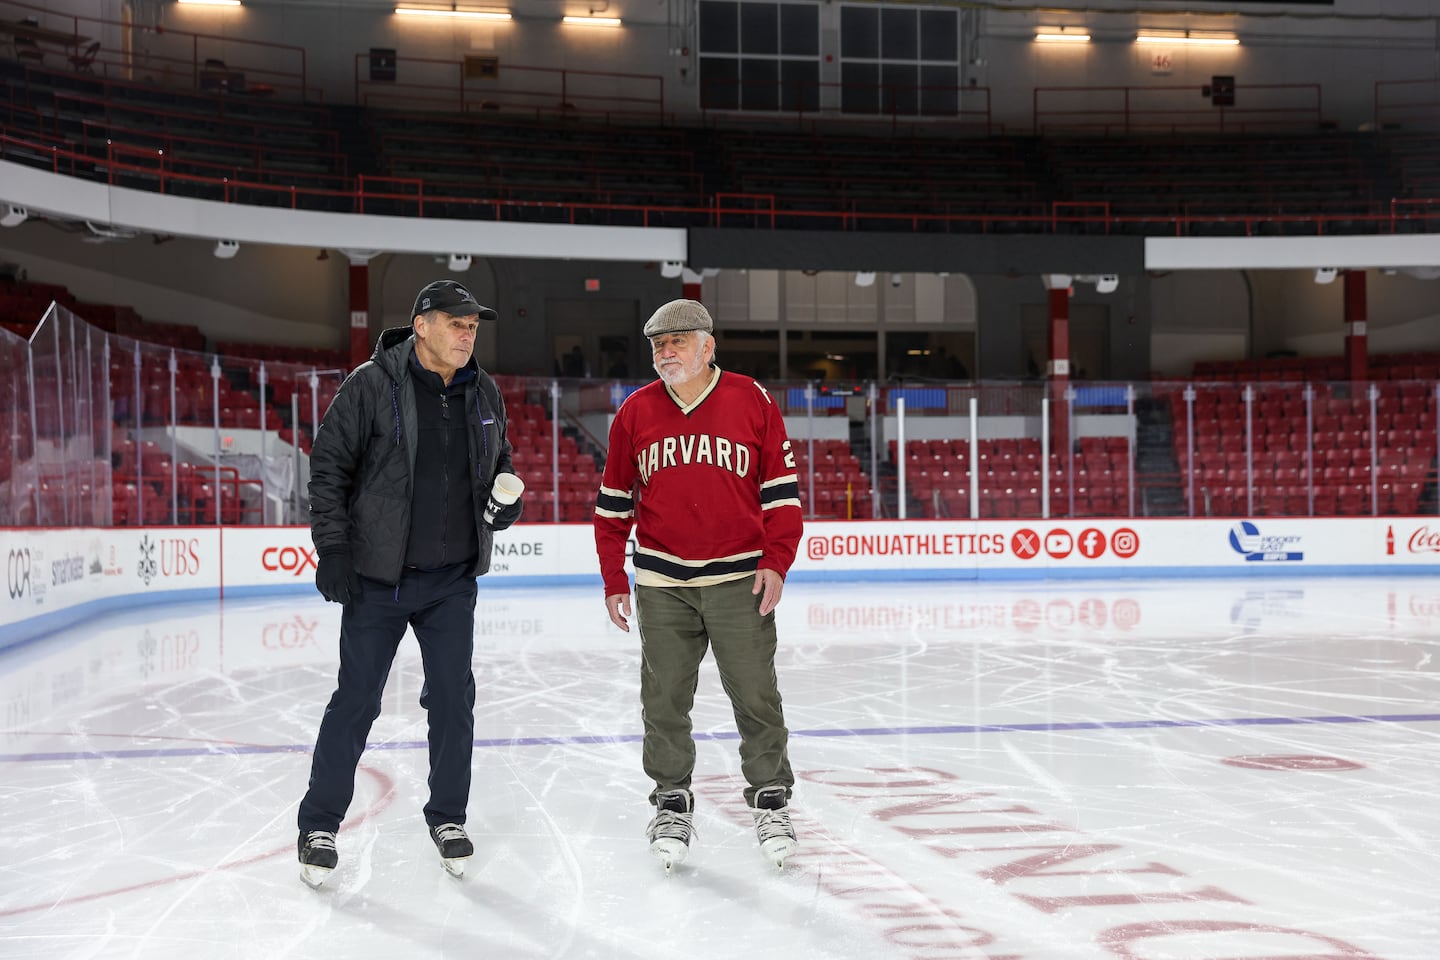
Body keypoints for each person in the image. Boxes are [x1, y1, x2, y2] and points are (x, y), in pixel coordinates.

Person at [295, 279, 522, 888]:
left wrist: (505, 502)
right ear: (421, 325)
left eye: (473, 325)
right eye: (456, 323)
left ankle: (448, 817)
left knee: (454, 701)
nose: (468, 333)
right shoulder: (370, 386)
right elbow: (328, 470)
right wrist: (335, 549)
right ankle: (318, 823)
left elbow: (500, 464)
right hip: (378, 579)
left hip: (452, 581)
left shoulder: (483, 391)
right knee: (357, 701)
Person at [593, 299, 804, 871]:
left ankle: (770, 799)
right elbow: (612, 508)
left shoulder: (751, 399)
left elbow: (781, 496)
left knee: (756, 696)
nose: (665, 353)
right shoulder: (635, 411)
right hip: (662, 582)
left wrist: (777, 561)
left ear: (708, 345)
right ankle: (670, 802)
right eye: (658, 345)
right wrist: (615, 576)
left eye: (677, 342)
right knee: (662, 702)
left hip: (740, 579)